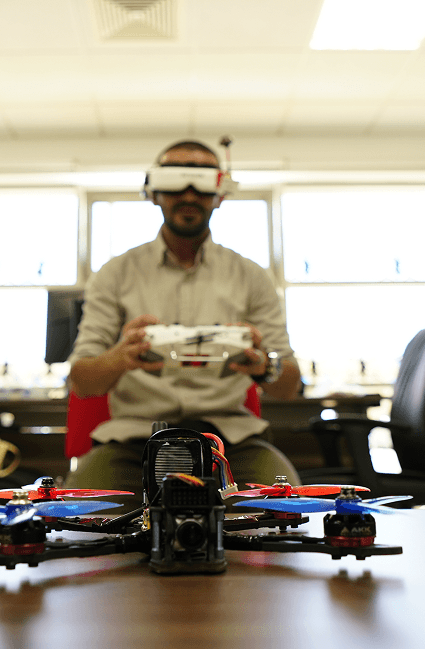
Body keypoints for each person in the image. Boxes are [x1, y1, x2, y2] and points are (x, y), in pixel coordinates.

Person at [65, 140, 302, 508]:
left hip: (231, 441)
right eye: (176, 181)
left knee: (285, 511)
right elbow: (81, 379)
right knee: (85, 518)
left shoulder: (251, 277)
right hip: (134, 440)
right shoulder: (116, 274)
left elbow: (290, 386)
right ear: (153, 192)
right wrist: (120, 357)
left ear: (220, 194)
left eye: (202, 182)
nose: (189, 193)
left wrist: (263, 365)